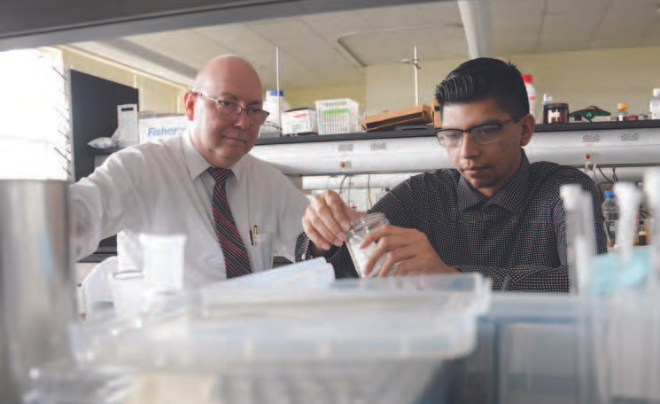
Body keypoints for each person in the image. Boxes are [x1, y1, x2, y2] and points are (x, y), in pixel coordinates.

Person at [296, 57, 607, 292]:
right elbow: (335, 273)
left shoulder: (564, 191)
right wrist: (326, 238)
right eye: (452, 136)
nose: (466, 151)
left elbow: (590, 283)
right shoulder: (421, 196)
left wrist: (454, 279)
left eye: (485, 131)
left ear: (524, 129)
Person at [71, 55, 309, 288]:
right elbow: (73, 218)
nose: (243, 123)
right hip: (162, 326)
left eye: (254, 110)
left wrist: (328, 231)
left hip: (250, 324)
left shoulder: (267, 182)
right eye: (226, 104)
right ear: (191, 105)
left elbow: (310, 246)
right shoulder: (139, 168)